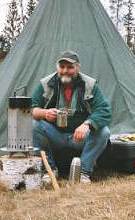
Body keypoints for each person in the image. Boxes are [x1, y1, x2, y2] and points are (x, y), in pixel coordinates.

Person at [31, 51, 111, 184]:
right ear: (57, 67)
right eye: (62, 67)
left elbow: (104, 110)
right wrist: (44, 113)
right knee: (33, 125)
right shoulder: (46, 84)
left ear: (78, 68)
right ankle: (48, 171)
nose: (65, 71)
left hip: (79, 137)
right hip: (54, 134)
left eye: (70, 67)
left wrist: (87, 124)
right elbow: (30, 109)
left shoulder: (90, 85)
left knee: (104, 132)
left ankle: (83, 173)